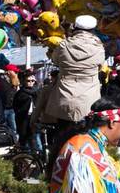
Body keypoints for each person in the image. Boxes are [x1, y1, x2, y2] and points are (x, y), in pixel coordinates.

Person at [41, 15, 107, 160]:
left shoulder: (64, 45)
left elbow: (55, 60)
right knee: (87, 140)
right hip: (89, 101)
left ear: (75, 28)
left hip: (66, 97)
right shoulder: (99, 47)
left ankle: (58, 169)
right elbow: (101, 66)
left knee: (62, 139)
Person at [14, 72, 41, 151]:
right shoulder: (20, 93)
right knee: (23, 139)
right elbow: (15, 107)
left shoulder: (37, 92)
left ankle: (37, 156)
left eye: (33, 81)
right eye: (28, 81)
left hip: (35, 118)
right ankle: (24, 157)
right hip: (24, 119)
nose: (31, 82)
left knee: (35, 139)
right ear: (24, 81)